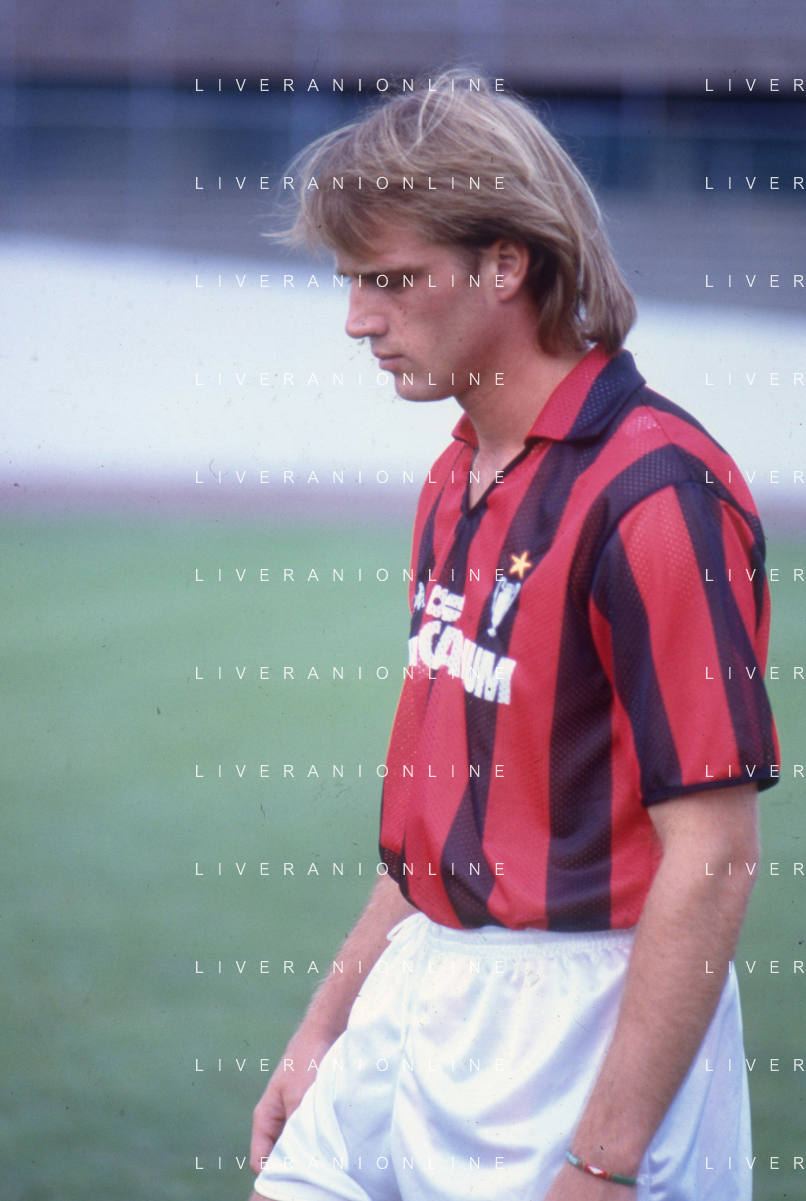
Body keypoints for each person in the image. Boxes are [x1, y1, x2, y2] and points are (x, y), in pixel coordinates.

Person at [248, 71, 779, 1200]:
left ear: (505, 263)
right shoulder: (455, 476)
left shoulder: (655, 493)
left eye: (390, 280)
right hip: (423, 977)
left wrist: (603, 1160)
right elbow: (444, 822)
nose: (358, 320)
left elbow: (715, 853)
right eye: (351, 282)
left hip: (578, 1017)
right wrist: (324, 1026)